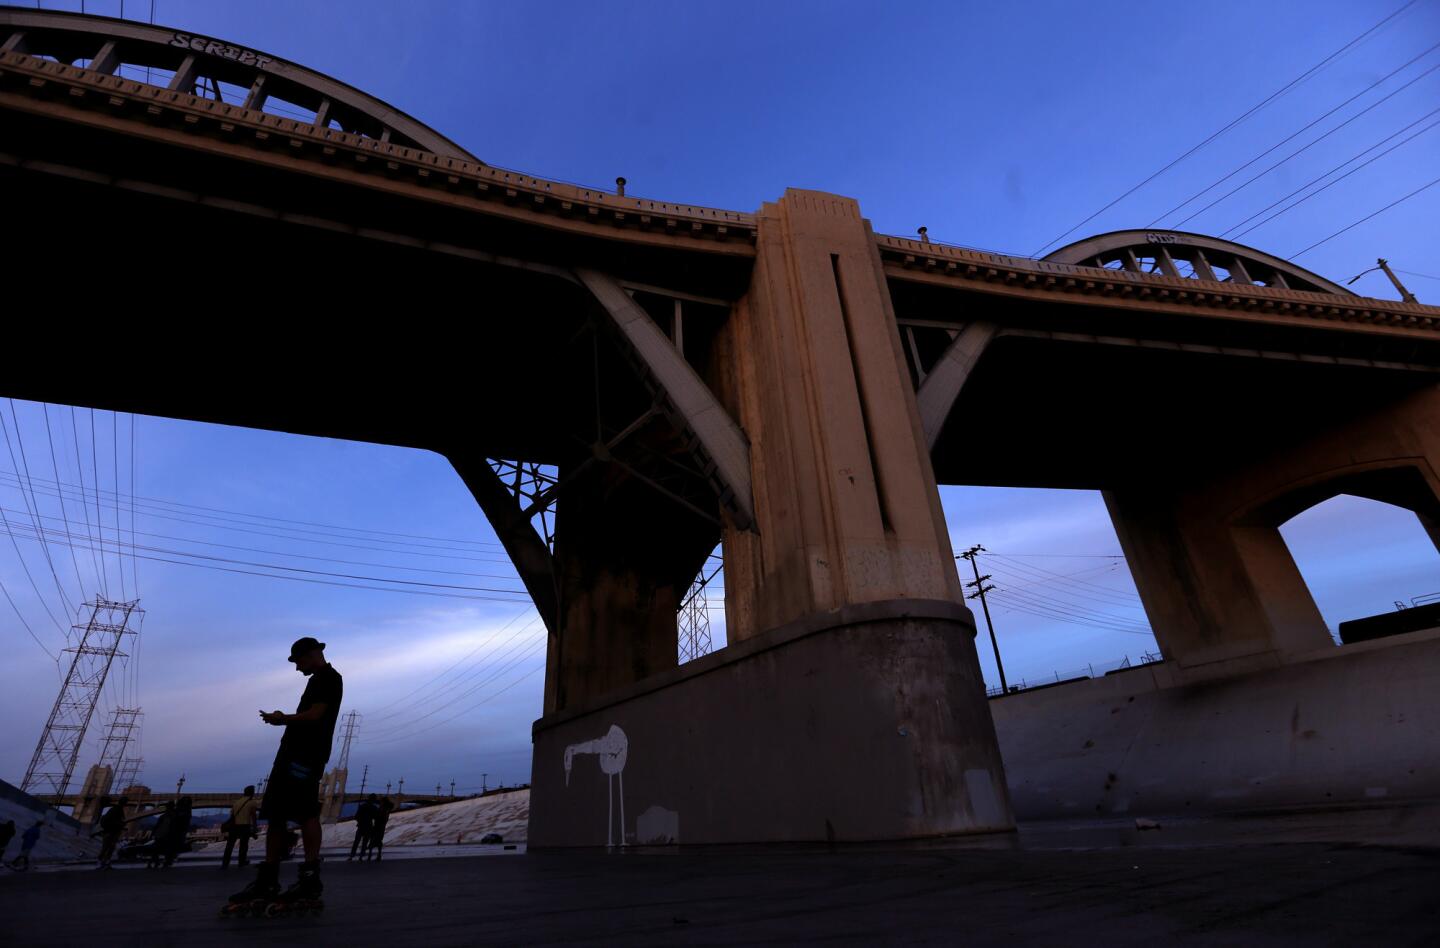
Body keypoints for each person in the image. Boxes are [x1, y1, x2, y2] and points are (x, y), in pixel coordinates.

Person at [229, 637, 342, 906]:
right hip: (295, 754)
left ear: (313, 654)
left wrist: (283, 719)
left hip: (304, 757)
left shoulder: (328, 678)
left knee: (305, 813)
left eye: (298, 661)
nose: (296, 668)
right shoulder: (318, 679)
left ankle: (306, 877)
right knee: (277, 814)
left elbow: (315, 715)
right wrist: (286, 719)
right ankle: (271, 878)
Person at [222, 785, 259, 869]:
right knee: (243, 845)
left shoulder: (237, 802)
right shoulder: (252, 802)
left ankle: (225, 863)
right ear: (251, 793)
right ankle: (241, 862)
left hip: (234, 826)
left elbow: (232, 816)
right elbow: (253, 816)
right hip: (244, 826)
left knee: (229, 845)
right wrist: (255, 827)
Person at [97, 796, 128, 869]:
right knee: (107, 848)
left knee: (109, 848)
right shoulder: (117, 810)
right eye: (125, 802)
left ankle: (104, 863)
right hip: (111, 832)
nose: (126, 803)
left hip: (111, 832)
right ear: (123, 802)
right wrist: (120, 824)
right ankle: (101, 862)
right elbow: (119, 821)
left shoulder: (116, 809)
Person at [348, 794, 378, 861]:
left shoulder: (362, 806)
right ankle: (361, 856)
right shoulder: (374, 808)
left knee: (356, 841)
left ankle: (352, 856)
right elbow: (376, 817)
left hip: (361, 826)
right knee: (365, 842)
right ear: (374, 799)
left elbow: (356, 816)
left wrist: (360, 821)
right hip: (369, 826)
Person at [366, 797, 394, 862]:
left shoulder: (383, 809)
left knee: (373, 839)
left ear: (383, 802)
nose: (380, 802)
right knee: (379, 840)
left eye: (381, 801)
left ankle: (370, 855)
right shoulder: (387, 808)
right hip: (382, 826)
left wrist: (374, 815)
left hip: (378, 825)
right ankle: (378, 855)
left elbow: (378, 816)